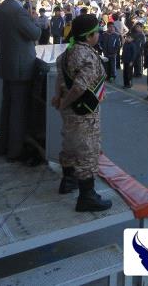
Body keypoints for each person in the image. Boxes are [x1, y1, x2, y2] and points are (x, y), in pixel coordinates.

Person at [51, 14, 111, 212]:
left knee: (69, 145)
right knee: (88, 150)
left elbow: (60, 78)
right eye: (96, 32)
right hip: (83, 111)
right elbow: (79, 87)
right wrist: (65, 103)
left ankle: (68, 181)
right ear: (88, 36)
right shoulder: (88, 56)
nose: (99, 35)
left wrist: (59, 98)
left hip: (69, 111)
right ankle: (87, 197)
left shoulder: (67, 52)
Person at [0, 0, 41, 163]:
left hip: (7, 64)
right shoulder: (18, 11)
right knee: (18, 111)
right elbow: (35, 33)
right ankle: (15, 151)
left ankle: (4, 146)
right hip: (21, 67)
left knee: (7, 107)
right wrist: (34, 20)